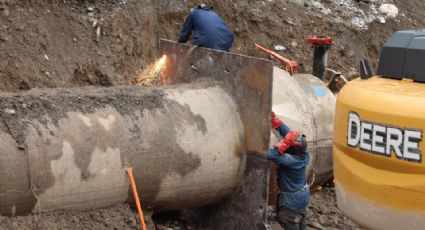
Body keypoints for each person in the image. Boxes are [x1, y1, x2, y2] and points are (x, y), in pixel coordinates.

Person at [268, 112, 309, 230]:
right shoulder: (302, 154)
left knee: (290, 222)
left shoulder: (291, 160)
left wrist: (284, 143)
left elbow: (271, 155)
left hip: (292, 204)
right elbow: (289, 134)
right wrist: (276, 121)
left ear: (293, 146)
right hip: (301, 199)